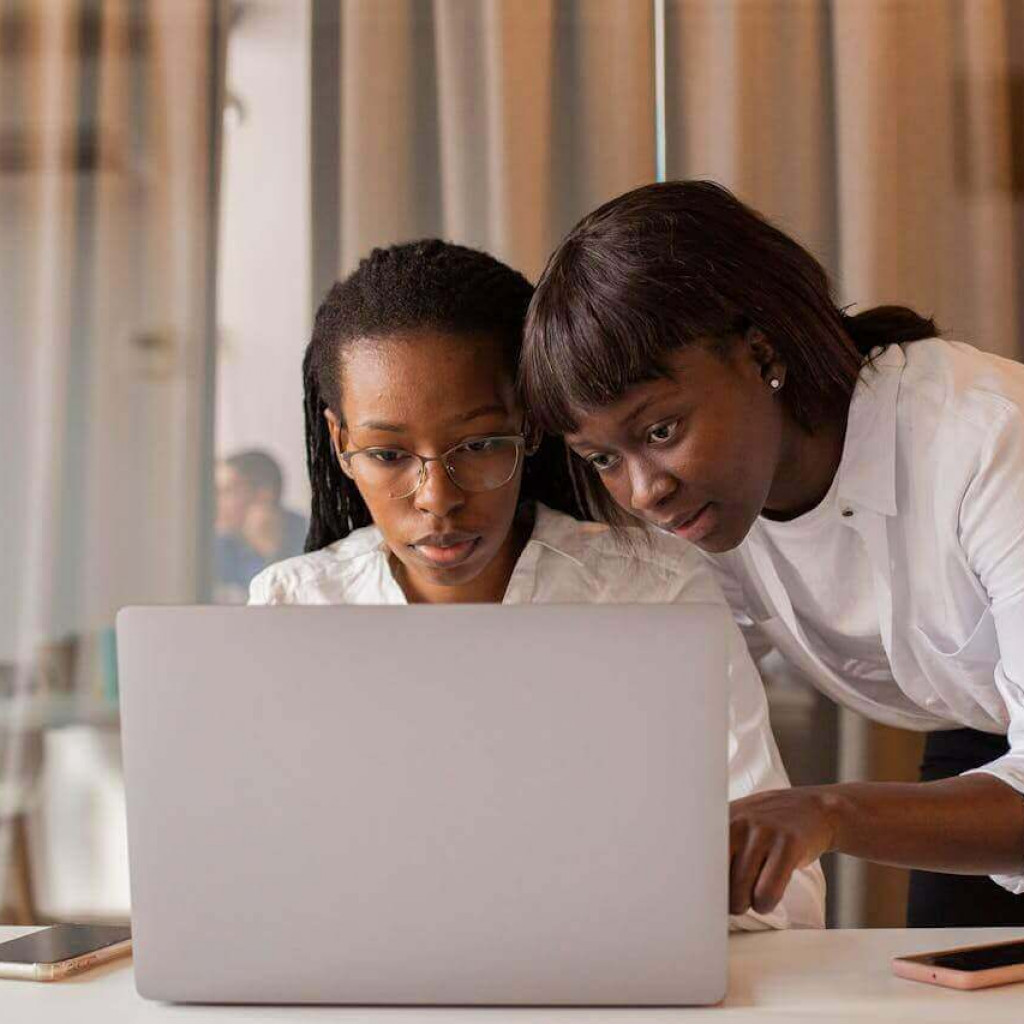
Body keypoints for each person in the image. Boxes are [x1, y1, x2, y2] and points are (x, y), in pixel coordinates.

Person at [248, 238, 824, 931]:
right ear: (340, 441)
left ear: (529, 425)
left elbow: (785, 901)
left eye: (481, 443)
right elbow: (260, 886)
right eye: (389, 455)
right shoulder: (290, 608)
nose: (436, 498)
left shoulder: (654, 595)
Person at [520, 179, 1024, 928]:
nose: (644, 491)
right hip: (982, 734)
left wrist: (826, 810)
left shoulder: (985, 441)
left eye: (660, 430)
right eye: (602, 460)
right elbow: (657, 726)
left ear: (761, 353)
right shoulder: (697, 512)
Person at [215, 449, 308, 598]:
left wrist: (270, 551)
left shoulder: (311, 537)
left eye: (227, 491)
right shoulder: (221, 545)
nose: (216, 501)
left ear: (263, 495)